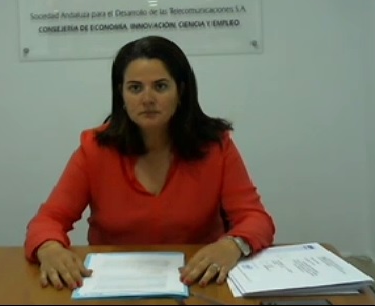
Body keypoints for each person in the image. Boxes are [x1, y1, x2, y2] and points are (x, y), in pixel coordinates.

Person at [24, 35, 275, 291]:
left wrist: (232, 245)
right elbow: (48, 220)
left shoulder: (215, 146)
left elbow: (256, 219)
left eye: (160, 86)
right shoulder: (95, 149)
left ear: (181, 91)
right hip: (113, 286)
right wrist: (49, 248)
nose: (147, 99)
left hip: (200, 281)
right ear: (121, 94)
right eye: (135, 88)